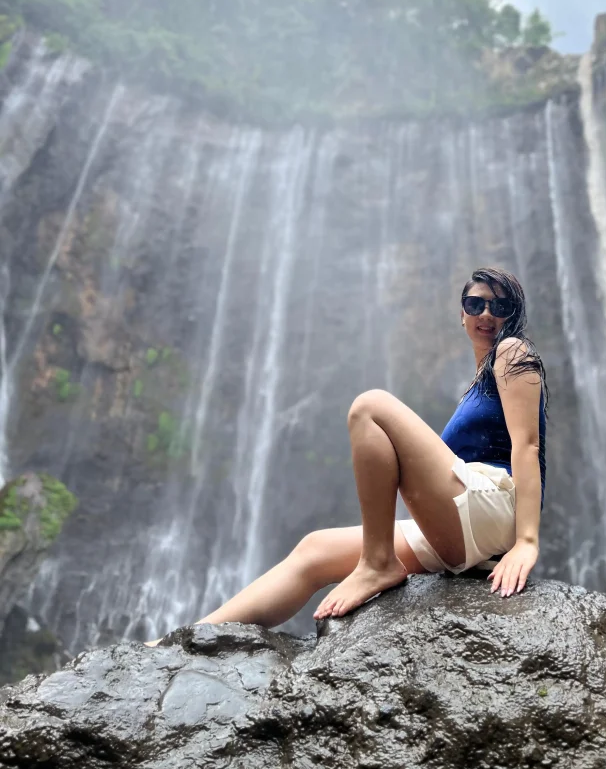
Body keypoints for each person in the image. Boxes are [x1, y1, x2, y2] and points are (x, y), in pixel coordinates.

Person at [145, 265, 547, 644]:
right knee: (314, 551)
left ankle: (377, 563)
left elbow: (527, 446)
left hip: (493, 507)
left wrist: (526, 541)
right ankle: (180, 641)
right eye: (475, 304)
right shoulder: (479, 382)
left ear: (514, 315)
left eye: (500, 306)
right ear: (461, 315)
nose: (486, 314)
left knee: (370, 406)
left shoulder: (512, 352)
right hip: (468, 522)